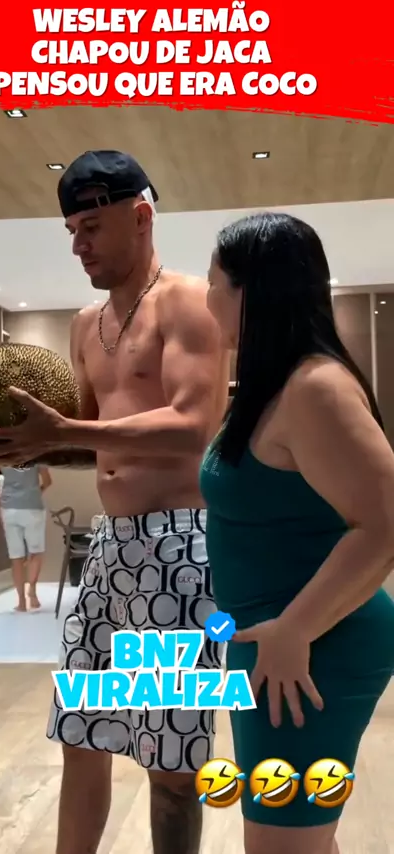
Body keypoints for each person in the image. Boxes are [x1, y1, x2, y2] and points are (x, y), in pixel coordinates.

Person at [0, 150, 231, 854]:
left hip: (181, 549)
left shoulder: (188, 303)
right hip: (112, 548)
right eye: (71, 232)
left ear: (140, 217)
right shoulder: (86, 324)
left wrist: (64, 432)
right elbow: (82, 436)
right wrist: (15, 446)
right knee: (82, 735)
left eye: (90, 227)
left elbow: (193, 426)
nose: (78, 245)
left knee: (171, 762)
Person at [200, 211, 394, 854]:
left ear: (250, 292)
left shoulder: (316, 388)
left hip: (311, 649)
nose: (206, 299)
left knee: (282, 845)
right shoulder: (274, 388)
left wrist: (294, 630)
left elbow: (385, 525)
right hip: (278, 645)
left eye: (213, 284)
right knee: (298, 839)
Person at [0, 464, 52, 611]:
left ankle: (21, 602)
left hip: (9, 509)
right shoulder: (36, 456)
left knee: (16, 557)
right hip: (33, 508)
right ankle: (32, 590)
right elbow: (48, 481)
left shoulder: (4, 457)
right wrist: (37, 492)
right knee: (36, 552)